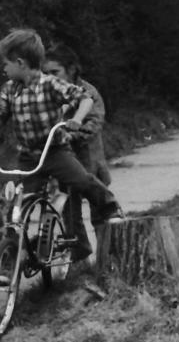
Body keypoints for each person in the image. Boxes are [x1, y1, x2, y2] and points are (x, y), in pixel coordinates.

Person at [0, 29, 124, 252]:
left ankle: (110, 208)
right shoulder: (9, 91)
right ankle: (11, 255)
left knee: (82, 181)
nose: (4, 69)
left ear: (20, 63)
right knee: (16, 207)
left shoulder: (50, 84)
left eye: (6, 64)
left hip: (55, 152)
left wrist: (76, 119)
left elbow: (84, 98)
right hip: (28, 158)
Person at [43, 44, 111, 263]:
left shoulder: (88, 93)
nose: (50, 77)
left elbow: (95, 122)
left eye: (55, 72)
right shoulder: (49, 94)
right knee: (70, 216)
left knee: (99, 214)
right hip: (64, 163)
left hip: (89, 161)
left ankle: (106, 258)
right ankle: (80, 257)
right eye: (46, 73)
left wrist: (72, 134)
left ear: (71, 69)